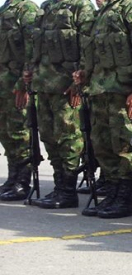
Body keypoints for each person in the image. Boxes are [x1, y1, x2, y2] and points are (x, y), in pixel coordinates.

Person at [72, 0, 132, 218]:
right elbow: (95, 53)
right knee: (102, 144)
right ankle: (111, 193)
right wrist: (84, 74)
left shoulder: (130, 7)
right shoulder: (103, 14)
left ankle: (123, 199)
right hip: (99, 90)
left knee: (123, 145)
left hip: (123, 91)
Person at [22, 0, 95, 209]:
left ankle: (68, 190)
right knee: (49, 137)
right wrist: (29, 71)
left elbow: (87, 46)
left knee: (68, 137)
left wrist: (79, 81)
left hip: (67, 86)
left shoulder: (82, 7)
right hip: (43, 84)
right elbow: (35, 45)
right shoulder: (46, 6)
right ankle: (59, 184)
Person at [0, 0, 38, 202]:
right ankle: (12, 177)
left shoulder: (27, 9)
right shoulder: (4, 9)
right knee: (6, 133)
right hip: (2, 83)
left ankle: (22, 182)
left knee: (20, 133)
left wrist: (24, 84)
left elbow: (32, 49)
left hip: (16, 83)